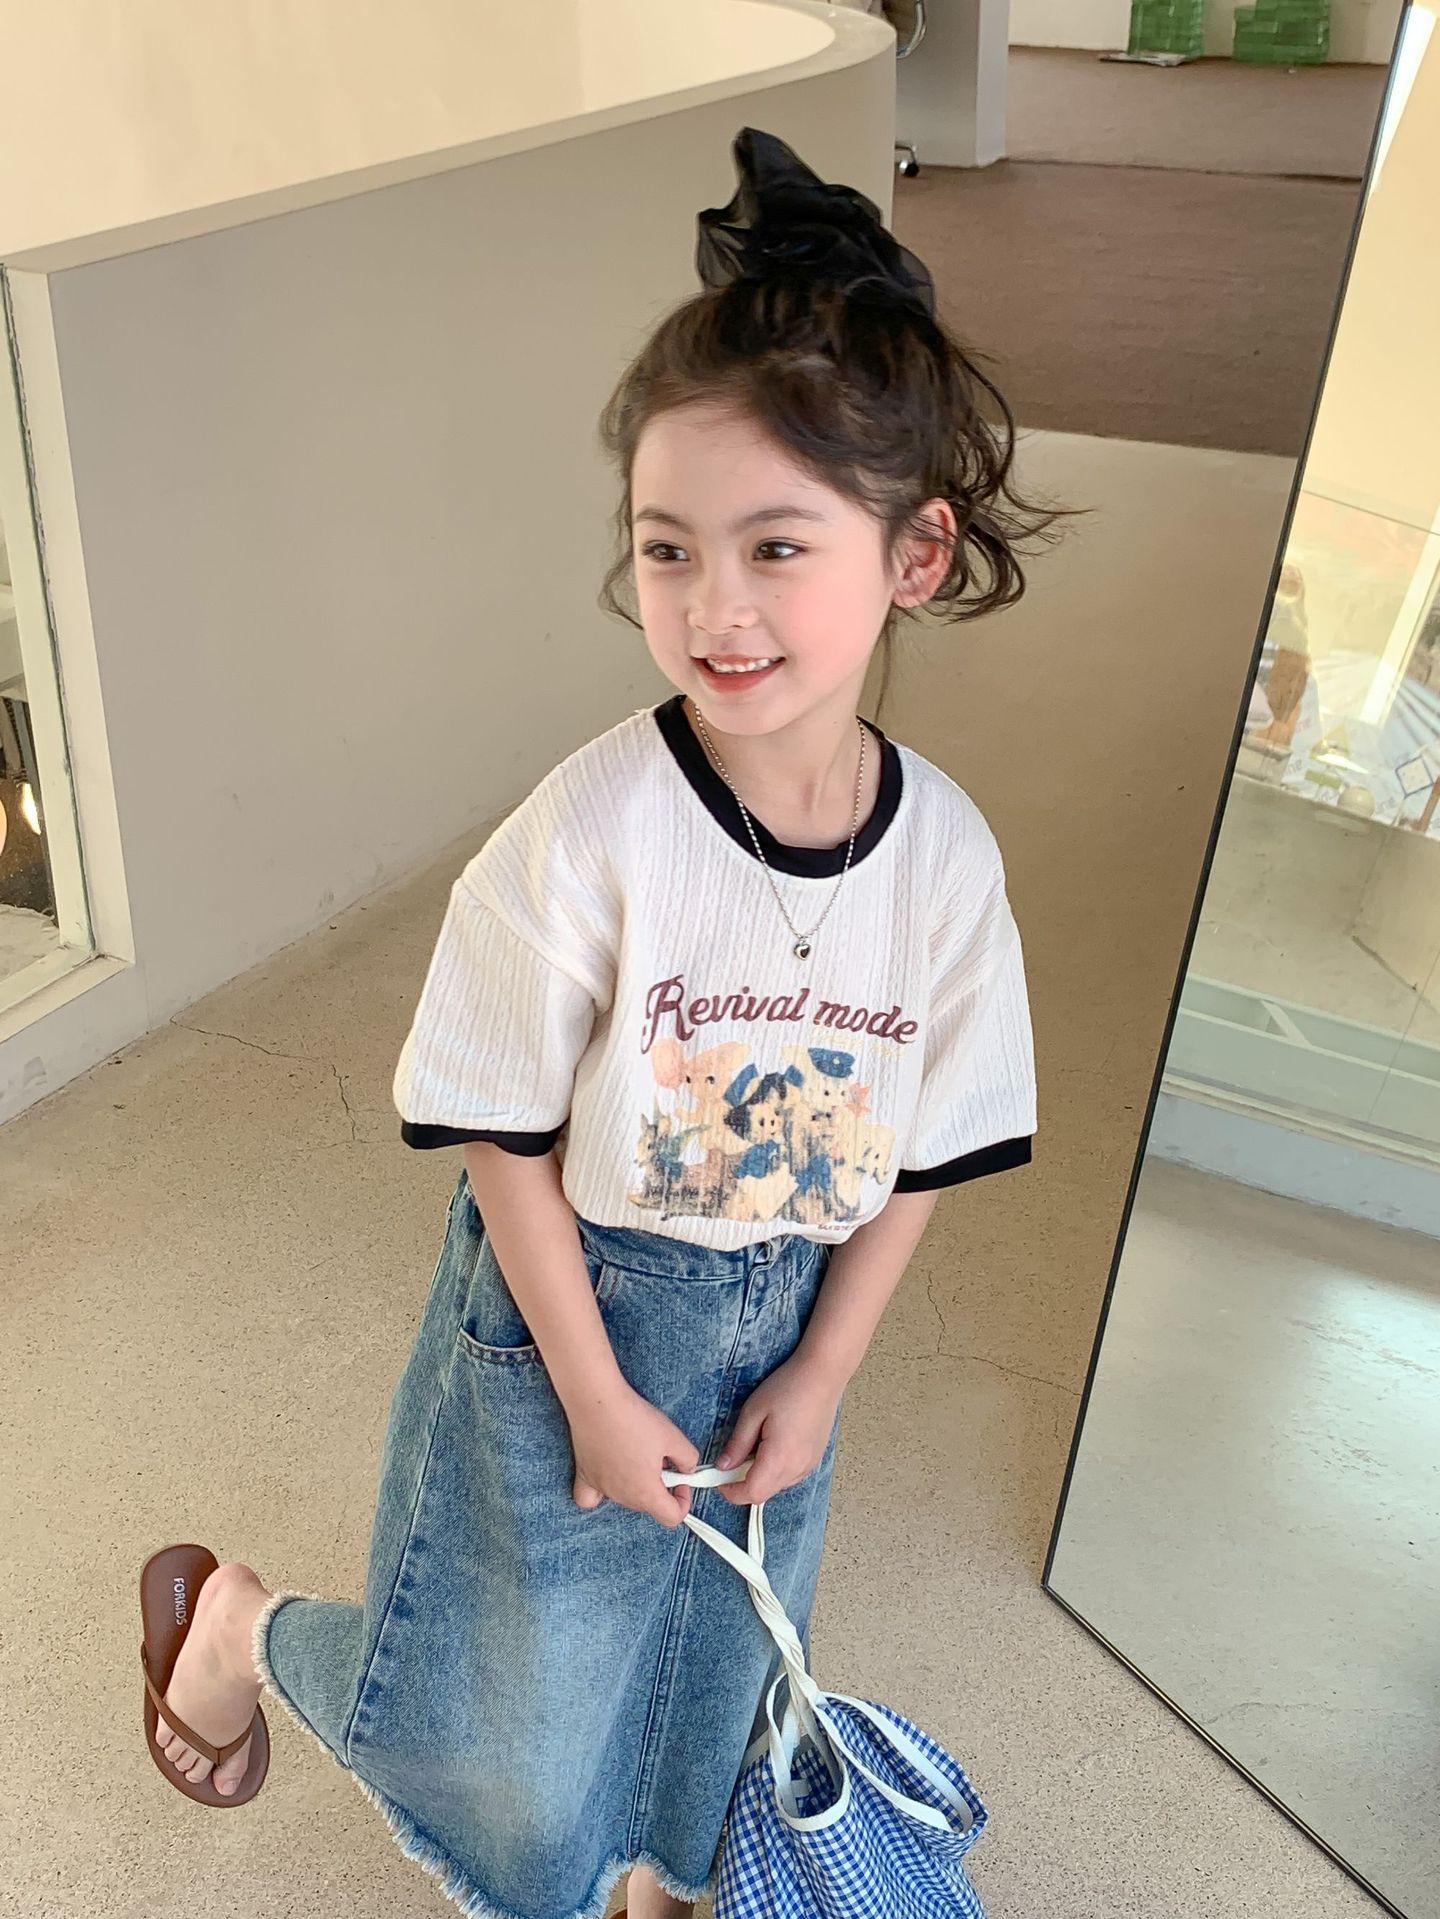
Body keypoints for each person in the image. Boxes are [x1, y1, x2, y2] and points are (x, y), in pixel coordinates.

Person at [141, 126, 1067, 1919]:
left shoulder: (946, 859)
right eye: (667, 549)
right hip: (571, 1307)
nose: (715, 607)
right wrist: (585, 1383)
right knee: (498, 1716)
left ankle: (660, 1881)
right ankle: (239, 1624)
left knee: (713, 1685)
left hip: (787, 1314)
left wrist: (824, 1369)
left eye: (777, 546)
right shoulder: (589, 833)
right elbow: (500, 1135)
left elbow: (929, 1149)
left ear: (916, 553)